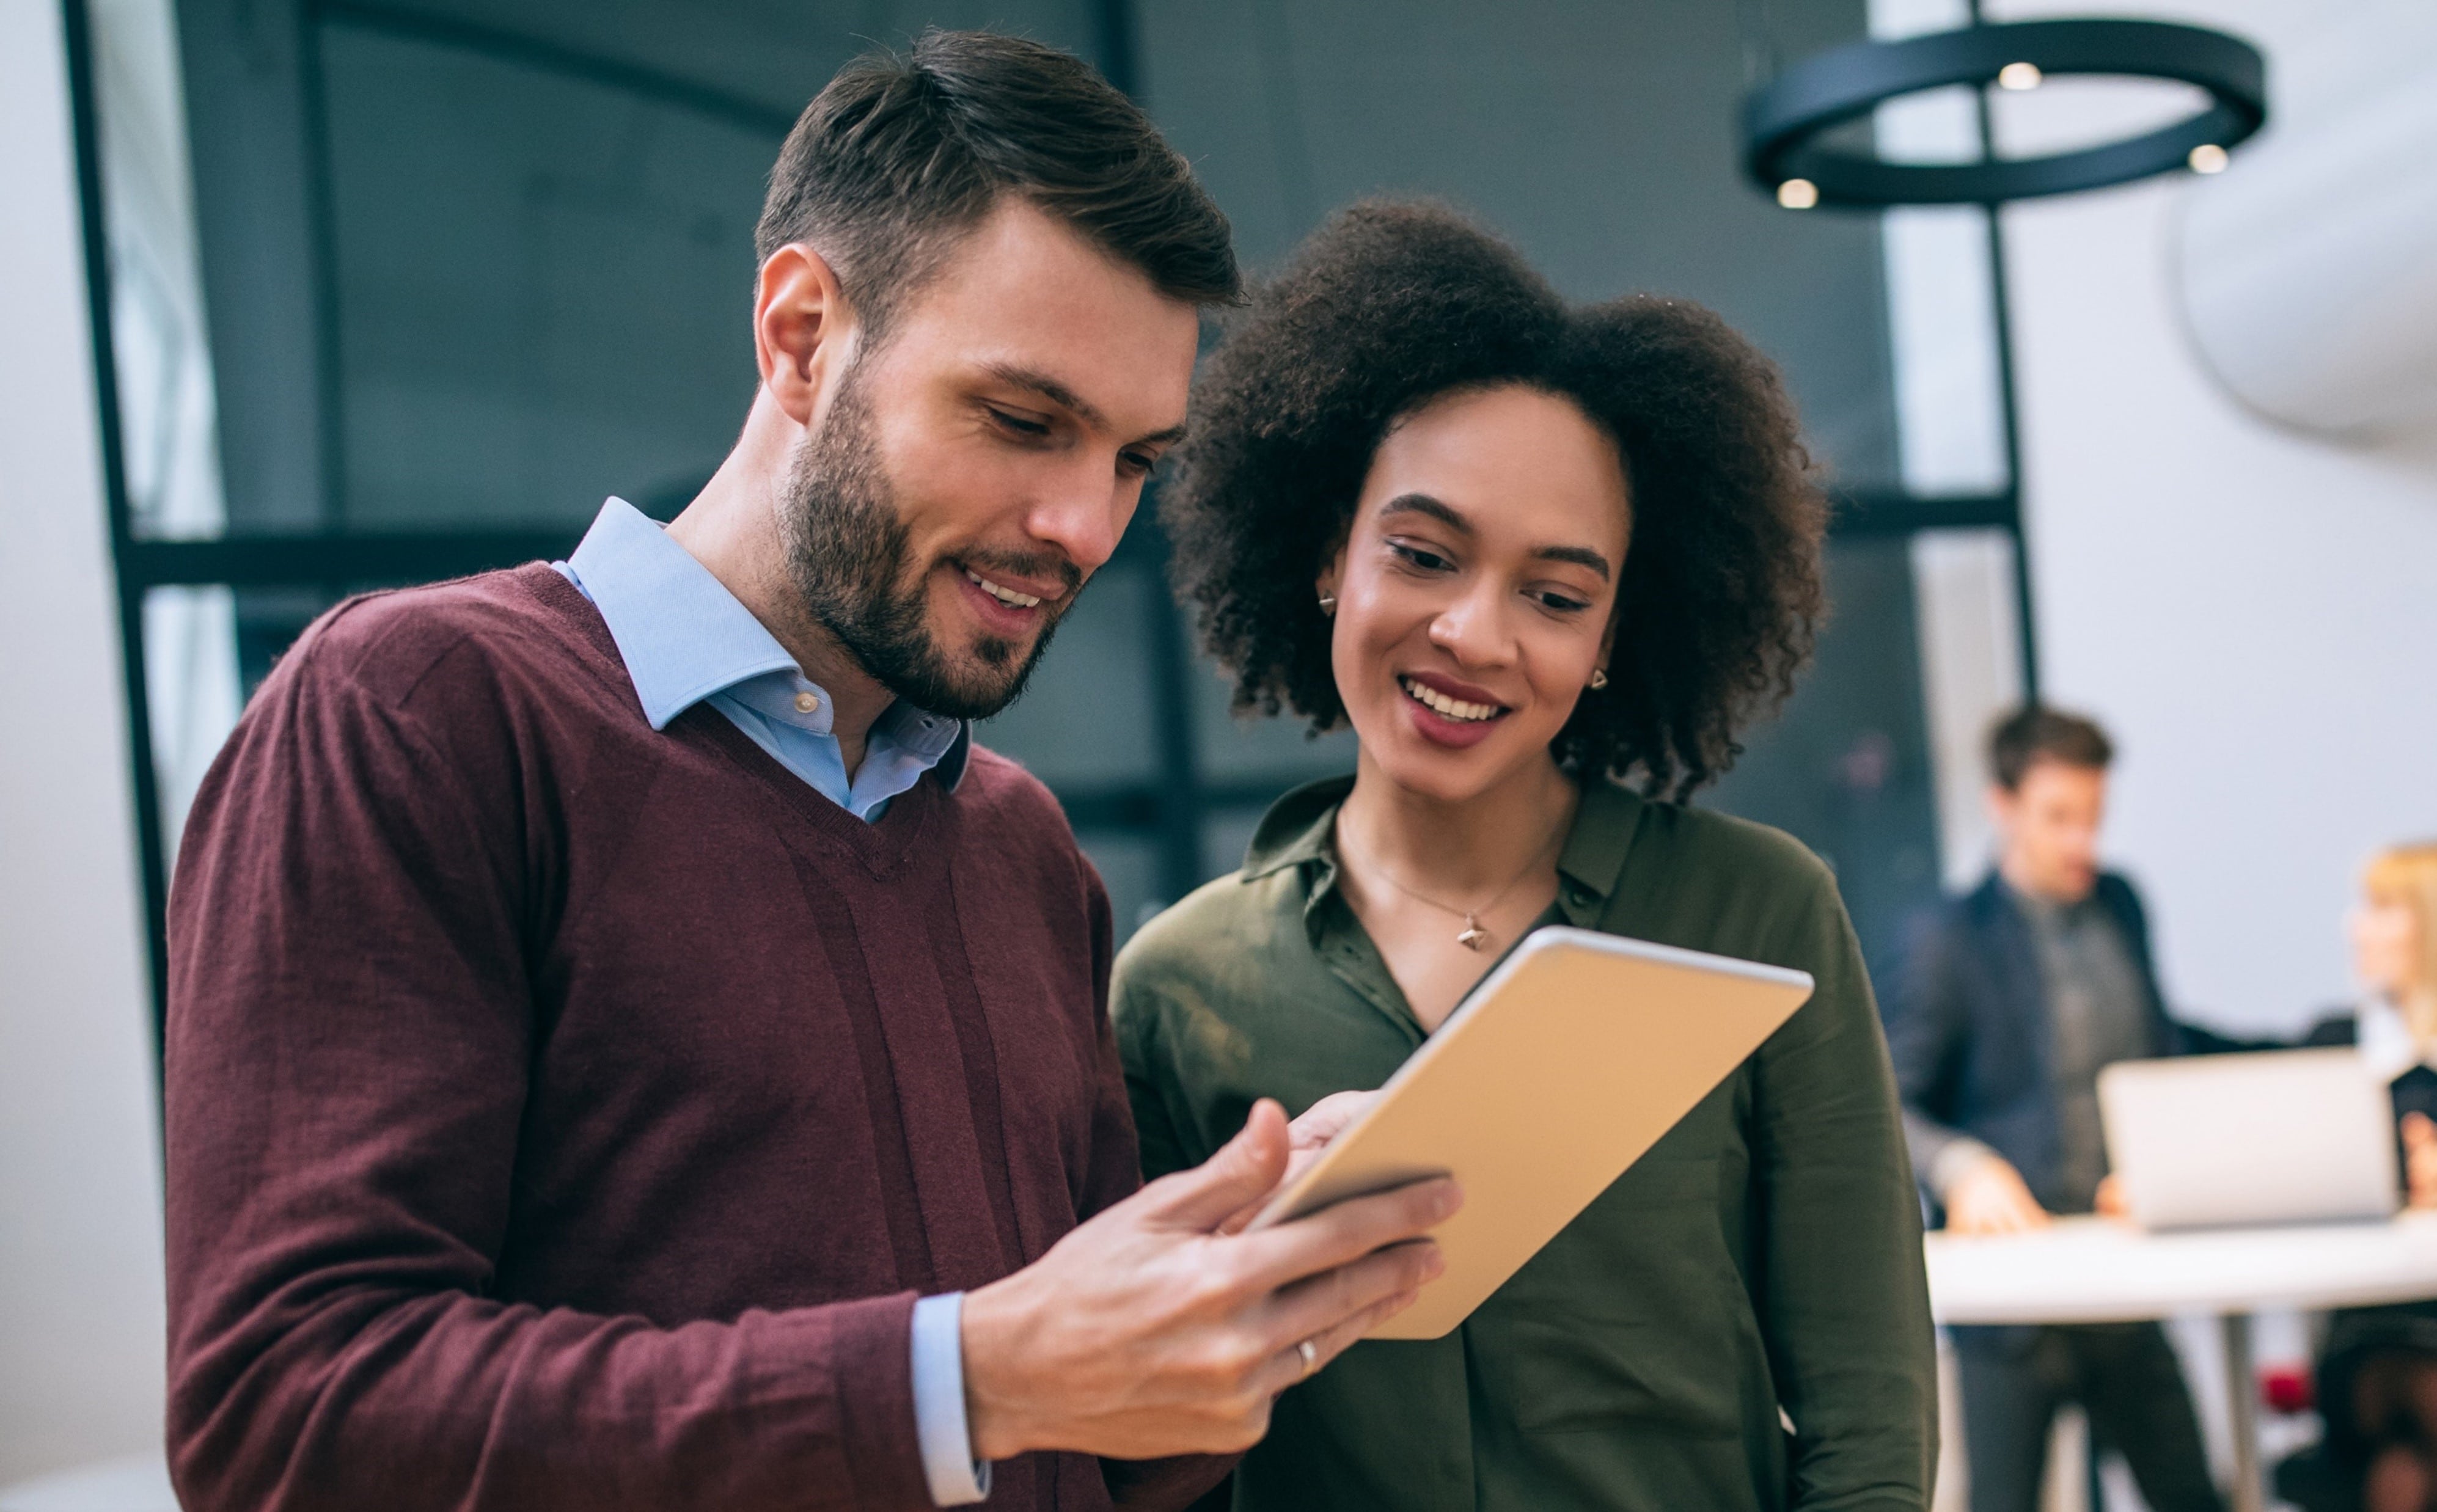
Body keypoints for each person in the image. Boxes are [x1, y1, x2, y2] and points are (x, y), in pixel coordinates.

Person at [161, 34, 1454, 1512]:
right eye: (1022, 421)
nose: (1084, 526)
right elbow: (287, 1421)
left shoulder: (1022, 851)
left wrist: (1241, 1290)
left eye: (1131, 459)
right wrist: (966, 1375)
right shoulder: (421, 714)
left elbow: (1083, 1451)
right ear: (796, 335)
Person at [1112, 201, 1937, 1511]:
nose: (1472, 634)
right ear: (1331, 554)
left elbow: (1864, 1408)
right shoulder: (1180, 984)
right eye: (1422, 554)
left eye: (1554, 596)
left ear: (1612, 633)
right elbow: (1154, 1445)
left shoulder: (1754, 911)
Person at [1882, 706, 2223, 1512]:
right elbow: (1887, 1101)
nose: (2083, 843)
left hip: (2124, 1277)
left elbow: (2160, 1049)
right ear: (2002, 806)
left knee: (2190, 1494)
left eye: (2094, 817)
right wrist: (1965, 1166)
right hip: (2014, 1307)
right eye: (2059, 817)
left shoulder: (2122, 905)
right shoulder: (1944, 937)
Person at [2274, 843, 2437, 1512]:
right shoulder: (2336, 1044)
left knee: (2408, 1461)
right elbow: (2274, 1160)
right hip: (2370, 1329)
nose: (2355, 927)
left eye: (2379, 909)